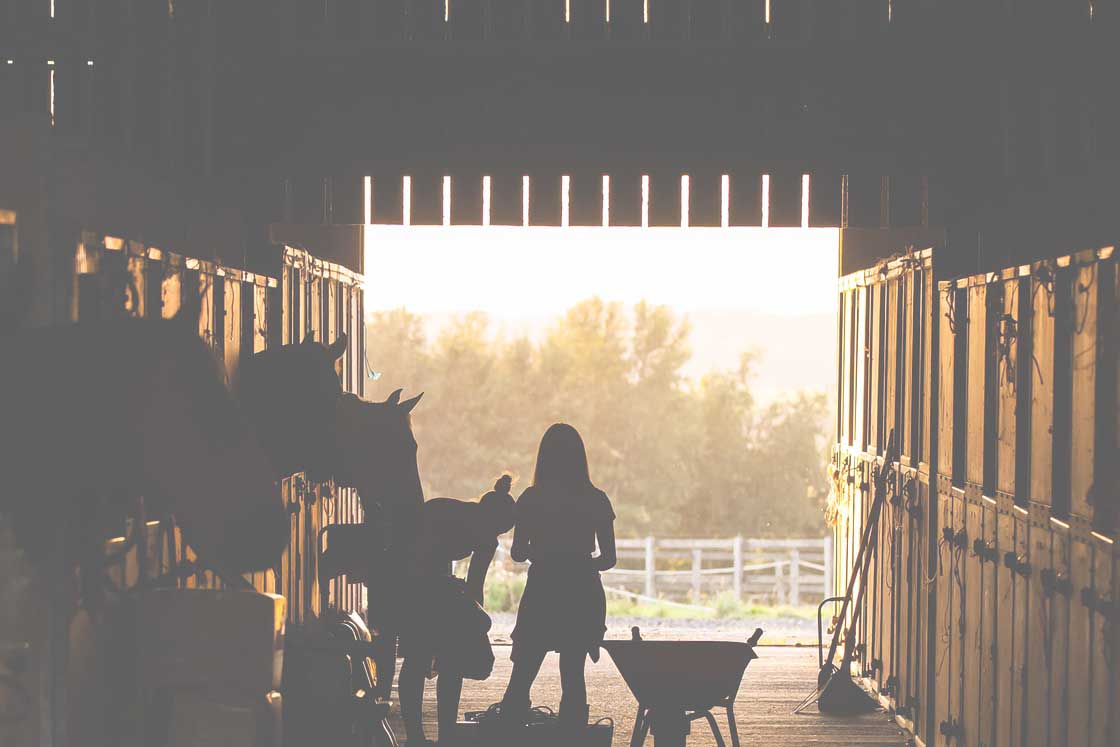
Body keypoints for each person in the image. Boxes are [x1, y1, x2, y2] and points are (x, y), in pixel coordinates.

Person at [499, 423, 617, 730]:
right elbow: (609, 558)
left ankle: (508, 732)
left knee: (522, 672)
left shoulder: (531, 498)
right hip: (581, 591)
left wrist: (544, 555)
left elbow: (517, 552)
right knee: (573, 676)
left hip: (544, 589)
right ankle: (573, 736)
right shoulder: (596, 499)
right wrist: (580, 564)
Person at [397, 477, 516, 746]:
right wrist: (473, 624)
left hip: (426, 584)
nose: (494, 536)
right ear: (487, 516)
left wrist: (473, 626)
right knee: (431, 660)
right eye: (496, 529)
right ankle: (431, 736)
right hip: (416, 582)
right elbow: (472, 585)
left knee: (432, 660)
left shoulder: (459, 516)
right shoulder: (452, 517)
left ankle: (430, 737)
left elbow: (474, 586)